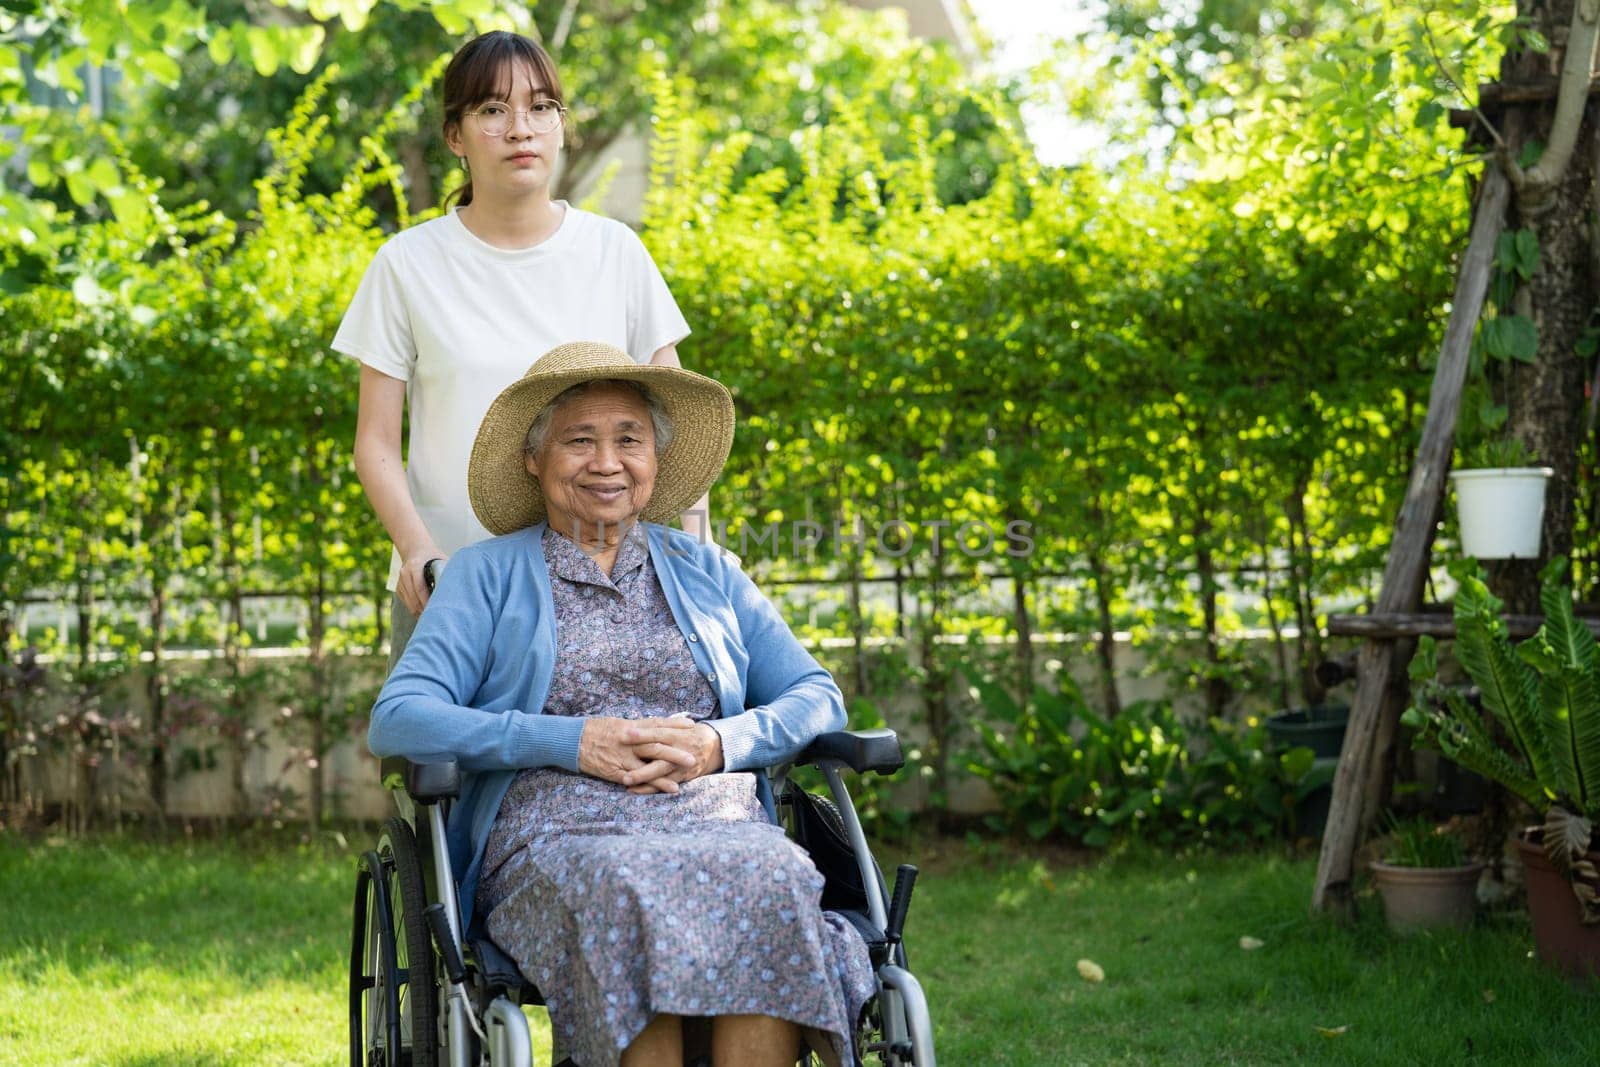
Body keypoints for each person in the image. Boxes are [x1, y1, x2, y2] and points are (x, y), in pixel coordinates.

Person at [368, 341, 874, 1067]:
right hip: (560, 837)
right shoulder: (485, 576)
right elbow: (400, 716)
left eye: (628, 440)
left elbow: (816, 696)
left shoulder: (708, 571)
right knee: (622, 885)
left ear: (655, 461)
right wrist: (569, 741)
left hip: (714, 819)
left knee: (778, 875)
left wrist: (719, 743)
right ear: (533, 459)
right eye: (580, 440)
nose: (607, 462)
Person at [334, 31, 698, 664]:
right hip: (451, 589)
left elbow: (678, 425)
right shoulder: (406, 264)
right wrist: (418, 550)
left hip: (606, 590)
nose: (520, 129)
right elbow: (375, 442)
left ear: (561, 126)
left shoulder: (615, 252)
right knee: (432, 760)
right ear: (456, 136)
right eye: (493, 110)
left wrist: (694, 554)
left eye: (540, 108)